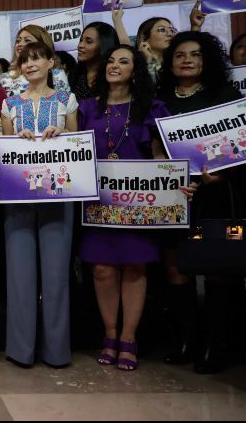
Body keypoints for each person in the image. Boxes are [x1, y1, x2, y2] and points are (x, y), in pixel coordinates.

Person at [78, 45, 184, 371]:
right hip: (98, 201)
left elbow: (161, 154)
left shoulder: (152, 108)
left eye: (123, 61)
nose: (114, 65)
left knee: (136, 266)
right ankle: (109, 334)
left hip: (141, 200)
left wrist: (170, 179)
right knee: (102, 268)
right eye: (110, 60)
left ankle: (128, 337)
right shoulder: (86, 108)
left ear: (135, 70)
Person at [157, 31, 243, 374]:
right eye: (179, 54)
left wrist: (220, 175)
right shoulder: (162, 98)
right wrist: (171, 176)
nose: (187, 59)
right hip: (175, 197)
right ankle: (186, 340)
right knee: (176, 267)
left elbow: (238, 144)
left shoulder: (224, 96)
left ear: (207, 59)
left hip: (219, 195)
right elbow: (156, 145)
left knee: (218, 268)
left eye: (195, 54)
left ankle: (215, 345)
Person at [0, 41, 78, 369]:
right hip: (18, 193)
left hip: (59, 192)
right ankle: (21, 350)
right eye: (24, 60)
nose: (30, 65)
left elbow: (77, 144)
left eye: (36, 59)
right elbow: (4, 147)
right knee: (19, 274)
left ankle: (57, 351)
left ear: (51, 62)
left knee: (57, 273)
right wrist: (19, 140)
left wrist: (59, 133)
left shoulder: (66, 100)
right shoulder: (9, 105)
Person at [0, 25, 70, 97]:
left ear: (42, 45)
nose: (20, 44)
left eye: (27, 40)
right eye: (18, 41)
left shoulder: (57, 74)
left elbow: (65, 103)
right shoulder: (5, 77)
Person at [69, 22, 120, 101]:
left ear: (104, 46)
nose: (80, 45)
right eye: (81, 40)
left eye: (88, 42)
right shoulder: (74, 75)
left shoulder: (112, 76)